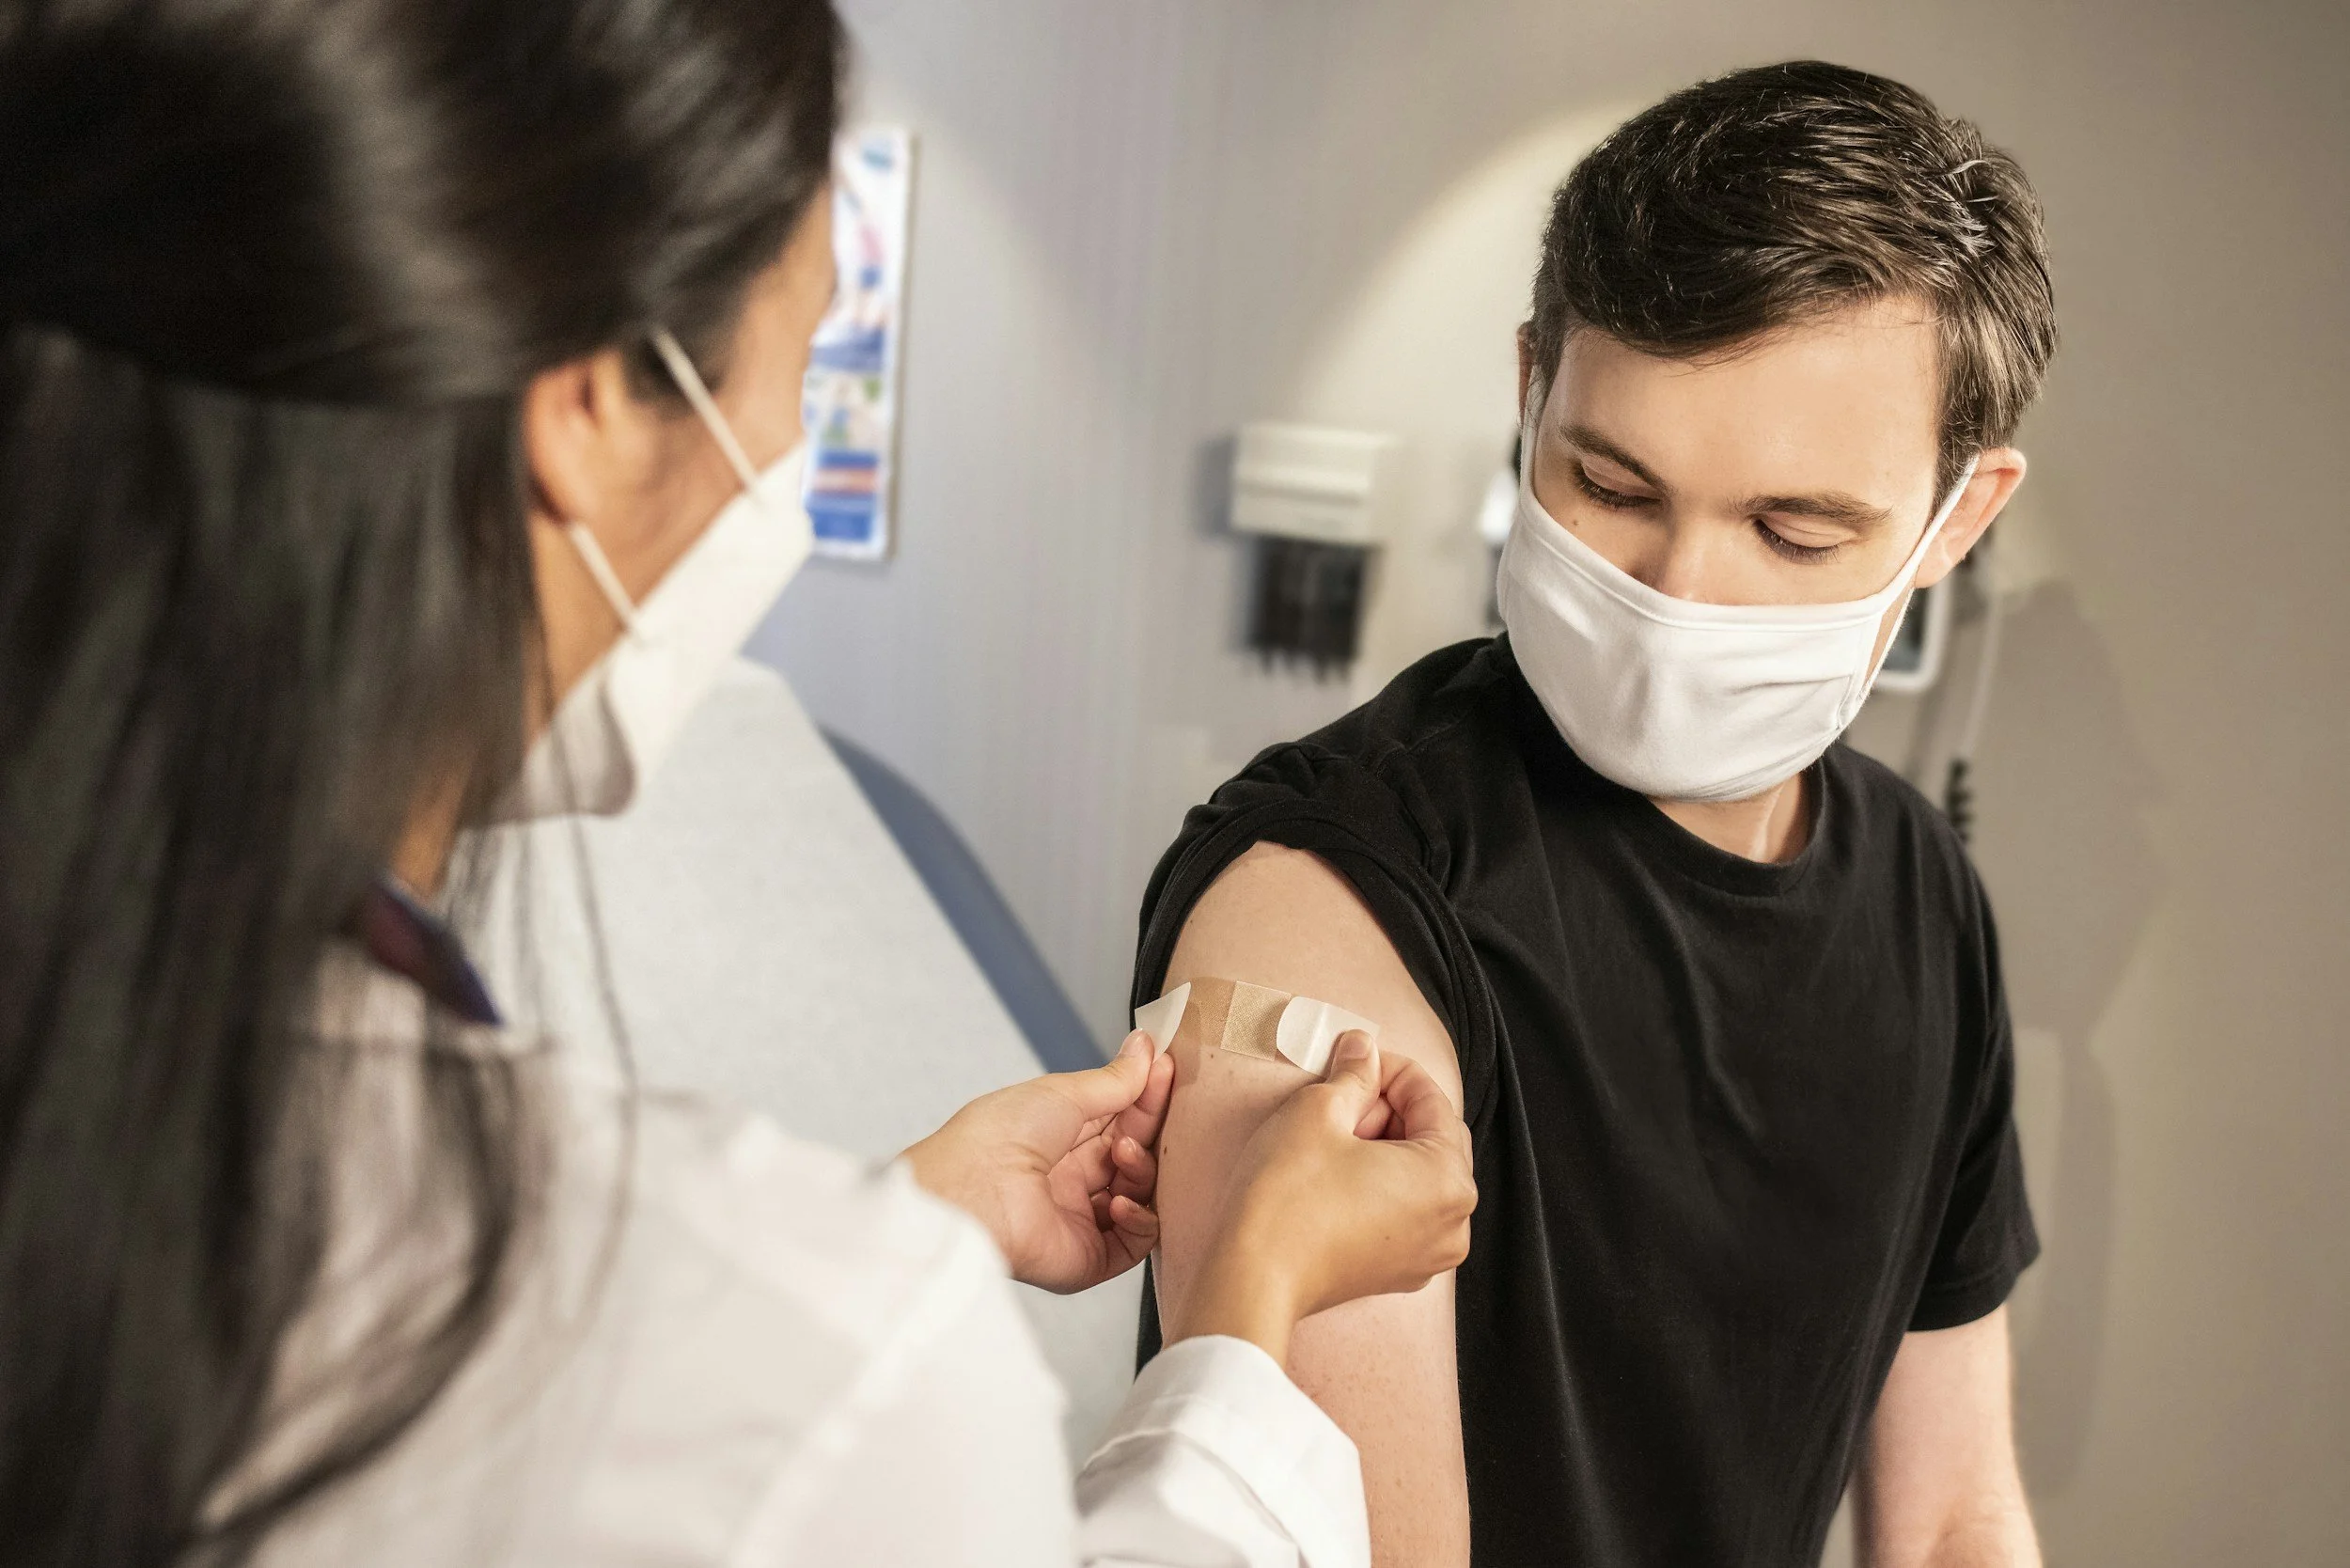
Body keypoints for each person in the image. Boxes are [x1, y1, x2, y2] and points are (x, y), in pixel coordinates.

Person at [0, 1, 1477, 1565]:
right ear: (582, 403)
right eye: (820, 349)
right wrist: (1241, 1319)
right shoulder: (815, 1359)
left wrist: (898, 1220)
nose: (790, 439)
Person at [1137, 61, 2055, 1567]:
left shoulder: (1923, 900)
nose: (1673, 595)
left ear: (1959, 517)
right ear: (1529, 394)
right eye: (1609, 481)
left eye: (1792, 529)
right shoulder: (1327, 893)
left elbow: (1956, 1511)